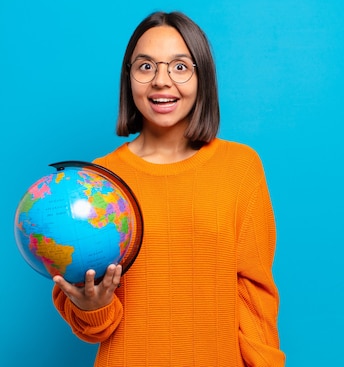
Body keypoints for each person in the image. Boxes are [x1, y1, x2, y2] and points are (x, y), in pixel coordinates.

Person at [52, 11, 285, 367]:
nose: (161, 81)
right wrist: (93, 306)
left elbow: (255, 296)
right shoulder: (97, 180)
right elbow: (95, 326)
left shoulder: (240, 167)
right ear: (128, 77)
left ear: (202, 76)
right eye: (146, 67)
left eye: (179, 67)